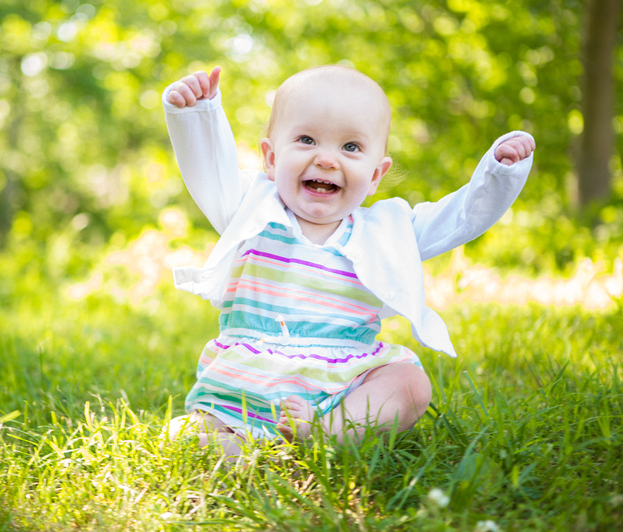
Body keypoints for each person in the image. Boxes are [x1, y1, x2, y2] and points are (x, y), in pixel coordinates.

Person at [161, 65, 535, 457]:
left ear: (375, 175)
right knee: (181, 435)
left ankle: (323, 436)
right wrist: (196, 114)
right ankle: (237, 445)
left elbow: (457, 219)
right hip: (248, 378)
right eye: (306, 139)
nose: (326, 159)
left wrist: (497, 175)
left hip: (341, 388)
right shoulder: (251, 208)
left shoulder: (388, 228)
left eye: (350, 147)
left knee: (410, 383)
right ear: (270, 159)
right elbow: (210, 174)